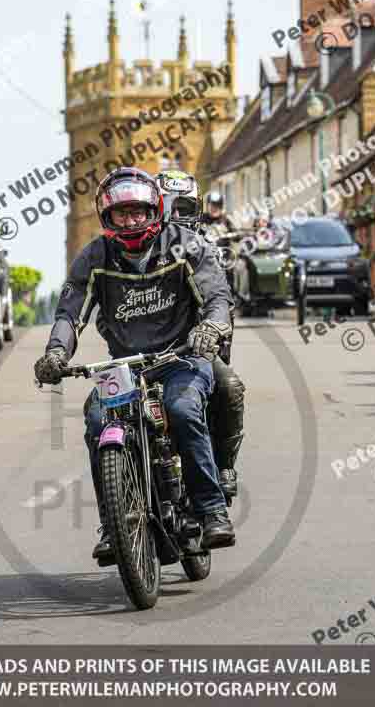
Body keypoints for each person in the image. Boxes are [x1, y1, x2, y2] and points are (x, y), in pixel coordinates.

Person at [34, 167, 235, 563]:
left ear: (154, 210)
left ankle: (212, 510)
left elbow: (217, 297)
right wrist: (57, 351)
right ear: (107, 216)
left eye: (137, 212)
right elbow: (70, 313)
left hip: (182, 357)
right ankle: (114, 525)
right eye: (120, 213)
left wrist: (210, 328)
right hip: (122, 367)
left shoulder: (187, 246)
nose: (130, 220)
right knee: (97, 421)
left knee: (183, 409)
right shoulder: (94, 256)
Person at [156, 170, 245, 505]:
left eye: (185, 207)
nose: (177, 215)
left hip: (199, 348)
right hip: (145, 351)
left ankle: (225, 467)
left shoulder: (206, 243)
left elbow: (220, 298)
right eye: (170, 206)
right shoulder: (141, 246)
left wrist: (211, 330)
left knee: (229, 387)